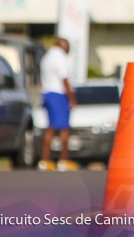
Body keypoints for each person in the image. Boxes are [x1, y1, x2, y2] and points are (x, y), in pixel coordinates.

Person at [38, 38, 77, 171]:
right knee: (64, 129)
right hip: (59, 94)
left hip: (47, 93)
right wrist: (72, 98)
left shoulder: (47, 57)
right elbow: (64, 79)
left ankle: (45, 160)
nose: (69, 48)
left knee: (51, 128)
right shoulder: (60, 58)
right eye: (68, 45)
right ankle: (64, 161)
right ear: (62, 45)